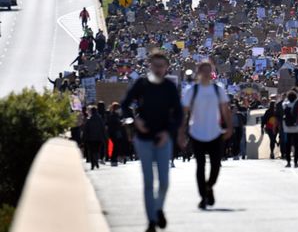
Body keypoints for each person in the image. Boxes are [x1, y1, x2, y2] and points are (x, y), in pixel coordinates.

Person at [121, 50, 183, 232]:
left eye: (161, 66)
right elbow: (124, 105)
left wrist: (169, 133)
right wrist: (134, 121)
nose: (158, 69)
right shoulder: (141, 84)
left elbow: (179, 114)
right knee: (149, 182)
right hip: (144, 139)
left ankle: (158, 209)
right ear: (150, 66)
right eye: (155, 65)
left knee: (164, 182)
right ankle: (151, 221)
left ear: (166, 68)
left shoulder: (170, 88)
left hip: (163, 138)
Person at [180, 62, 233, 210]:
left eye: (208, 69)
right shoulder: (192, 90)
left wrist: (229, 127)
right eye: (202, 70)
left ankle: (209, 187)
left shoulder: (218, 90)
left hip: (215, 133)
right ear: (198, 72)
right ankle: (203, 196)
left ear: (212, 72)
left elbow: (225, 110)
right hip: (196, 133)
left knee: (216, 165)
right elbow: (184, 112)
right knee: (200, 166)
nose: (205, 72)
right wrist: (180, 132)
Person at [83, 106, 106, 170]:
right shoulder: (100, 119)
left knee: (91, 151)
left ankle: (93, 163)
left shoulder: (89, 120)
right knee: (97, 150)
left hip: (90, 138)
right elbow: (103, 129)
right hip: (99, 138)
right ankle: (96, 161)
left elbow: (86, 130)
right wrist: (104, 137)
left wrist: (84, 138)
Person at [282, 91, 298, 168]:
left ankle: (288, 162)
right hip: (296, 128)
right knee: (296, 146)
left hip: (287, 128)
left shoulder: (285, 104)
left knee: (288, 145)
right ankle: (296, 162)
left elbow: (283, 104)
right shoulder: (297, 105)